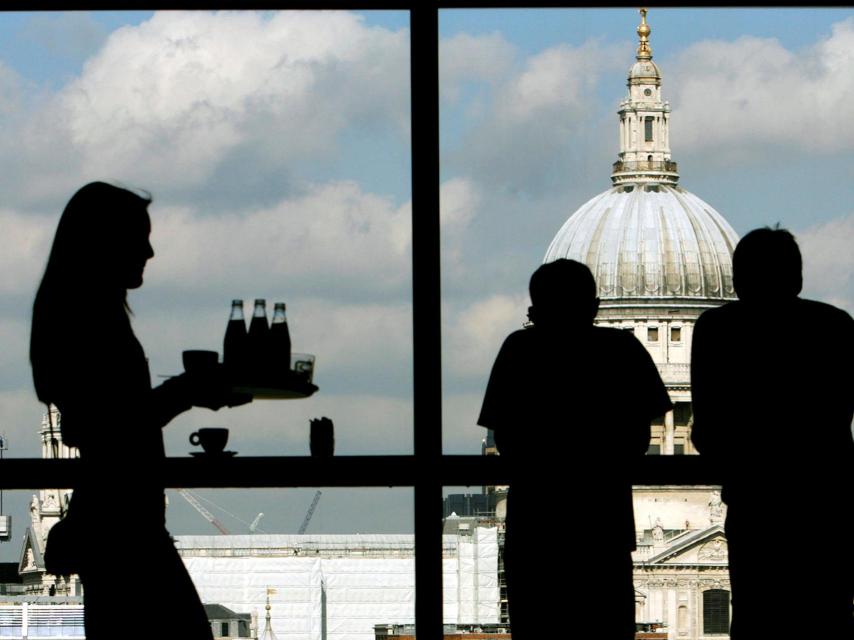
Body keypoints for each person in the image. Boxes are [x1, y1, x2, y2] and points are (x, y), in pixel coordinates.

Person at [30, 182, 250, 639]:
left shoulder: (75, 316)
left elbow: (97, 424)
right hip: (127, 530)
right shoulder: (95, 322)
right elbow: (111, 427)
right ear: (105, 245)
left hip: (116, 527)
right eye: (138, 239)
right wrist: (184, 392)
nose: (149, 252)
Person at [478, 259, 671, 639]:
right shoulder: (622, 349)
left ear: (534, 309)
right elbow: (640, 436)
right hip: (603, 525)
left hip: (536, 525)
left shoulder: (519, 350)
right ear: (594, 307)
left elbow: (506, 438)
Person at [690, 227, 854, 638]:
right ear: (797, 277)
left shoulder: (716, 329)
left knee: (757, 613)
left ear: (737, 280)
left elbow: (707, 429)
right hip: (826, 505)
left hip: (755, 503)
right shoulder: (836, 326)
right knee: (828, 614)